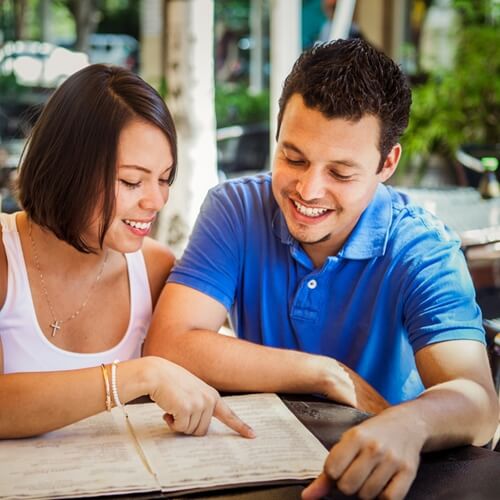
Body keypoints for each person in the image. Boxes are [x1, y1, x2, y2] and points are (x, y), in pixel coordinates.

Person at [145, 39, 498, 500]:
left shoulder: (423, 247)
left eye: (341, 173)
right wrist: (327, 374)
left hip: (390, 477)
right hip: (262, 468)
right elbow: (169, 343)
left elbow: (476, 400)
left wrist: (409, 422)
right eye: (293, 158)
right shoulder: (235, 209)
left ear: (386, 163)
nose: (308, 190)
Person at [0, 64, 252, 441]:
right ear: (67, 170)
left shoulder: (155, 270)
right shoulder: (6, 256)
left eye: (165, 178)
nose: (156, 200)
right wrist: (138, 375)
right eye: (132, 181)